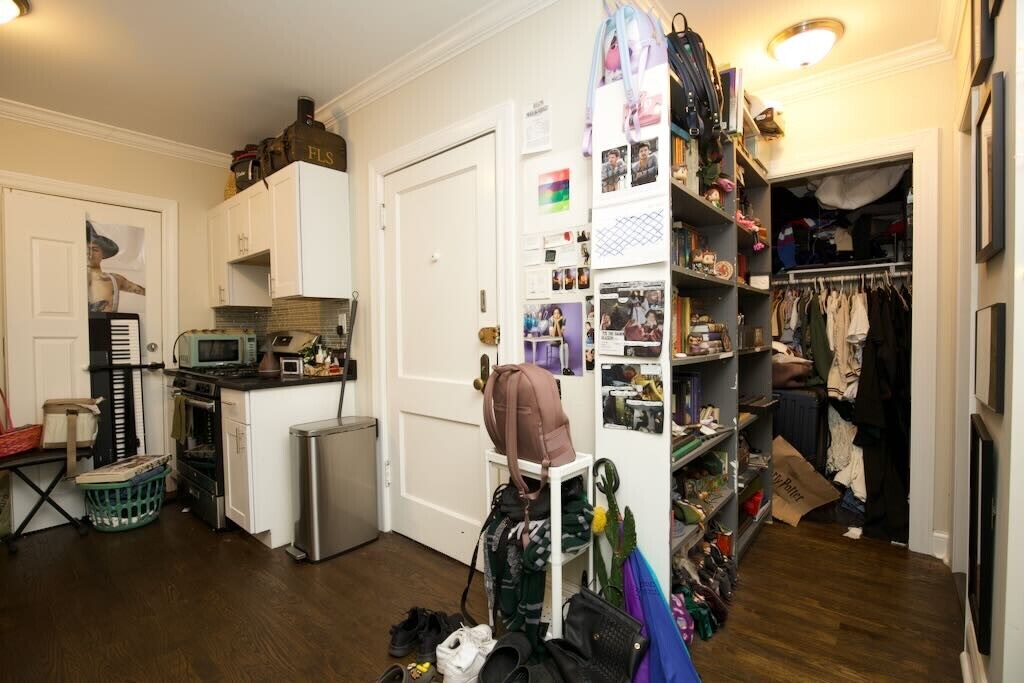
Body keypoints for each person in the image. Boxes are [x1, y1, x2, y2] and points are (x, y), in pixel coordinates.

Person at [87, 221, 145, 313]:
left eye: (94, 249)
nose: (89, 253)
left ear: (103, 253)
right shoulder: (72, 278)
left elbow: (149, 293)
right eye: (85, 249)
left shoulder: (116, 279)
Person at [549, 306, 574, 376]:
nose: (556, 315)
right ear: (553, 315)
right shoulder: (550, 320)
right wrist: (556, 322)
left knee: (566, 345)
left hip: (561, 340)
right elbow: (553, 335)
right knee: (562, 345)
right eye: (555, 313)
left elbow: (560, 335)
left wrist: (557, 322)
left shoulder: (563, 320)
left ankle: (566, 368)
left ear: (560, 314)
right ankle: (562, 368)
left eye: (558, 313)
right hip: (553, 340)